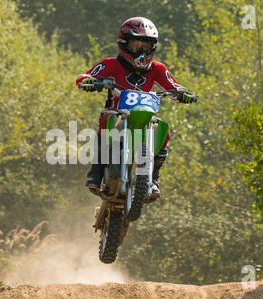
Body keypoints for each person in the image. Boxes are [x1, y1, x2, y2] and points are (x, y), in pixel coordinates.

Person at [76, 17, 196, 199]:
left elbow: (173, 86)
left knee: (164, 129)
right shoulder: (112, 64)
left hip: (144, 115)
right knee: (105, 120)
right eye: (135, 45)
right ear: (124, 44)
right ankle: (96, 172)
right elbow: (84, 76)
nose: (140, 51)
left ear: (153, 48)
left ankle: (153, 177)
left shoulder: (157, 69)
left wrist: (183, 93)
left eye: (145, 47)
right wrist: (90, 81)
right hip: (116, 113)